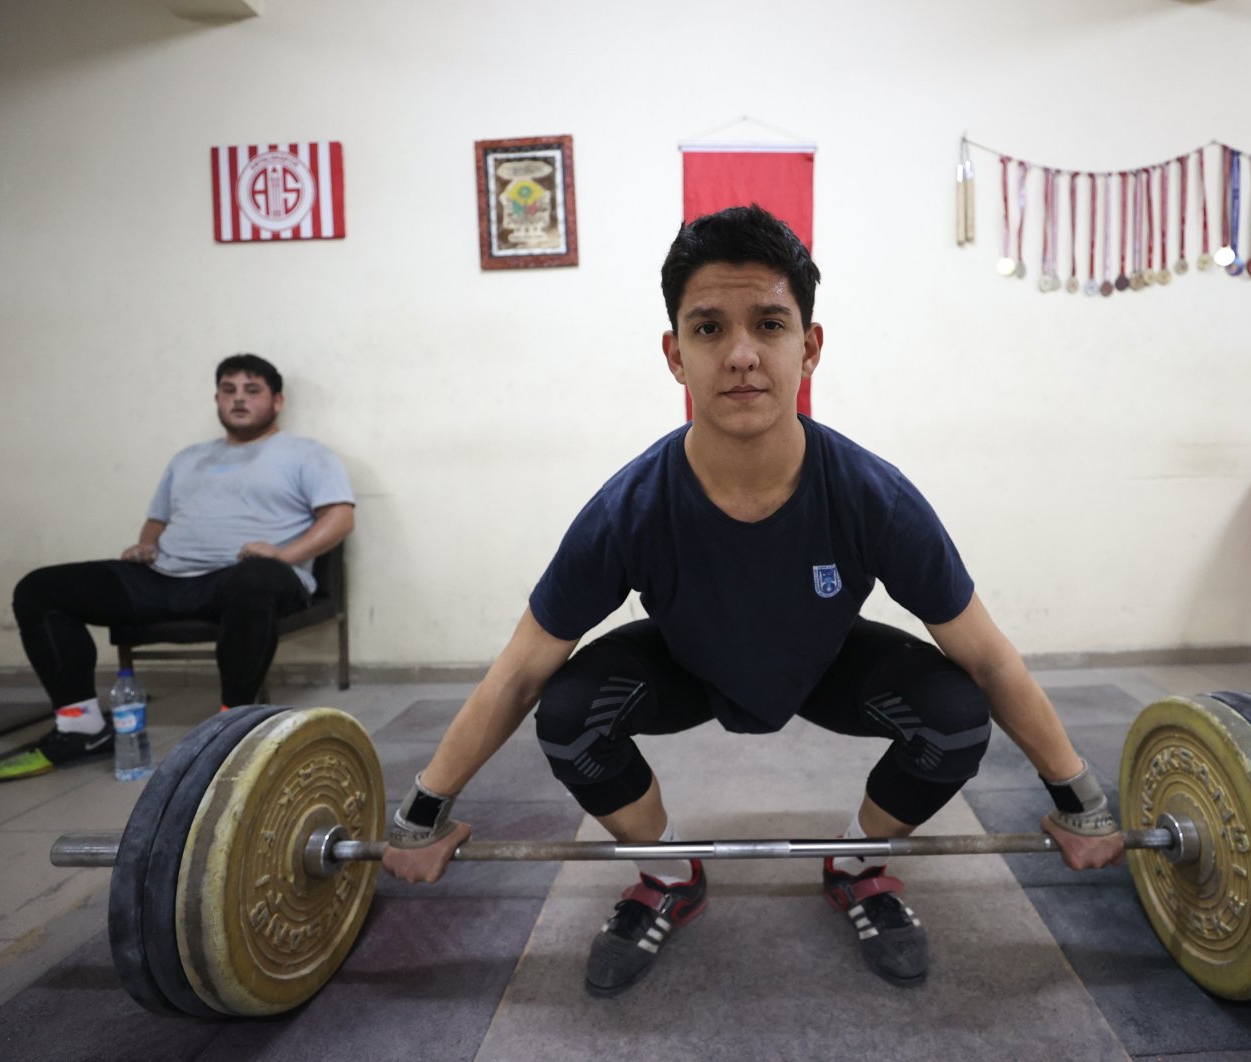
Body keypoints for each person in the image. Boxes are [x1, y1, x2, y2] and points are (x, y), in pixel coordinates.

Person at [381, 206, 1123, 995]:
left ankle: (857, 864)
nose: (740, 355)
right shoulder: (629, 508)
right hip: (687, 666)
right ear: (675, 355)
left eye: (768, 323)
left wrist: (1080, 801)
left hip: (826, 660)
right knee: (567, 715)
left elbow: (988, 655)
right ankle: (667, 873)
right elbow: (520, 670)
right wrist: (422, 813)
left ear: (809, 346)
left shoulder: (873, 496)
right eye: (708, 329)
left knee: (956, 714)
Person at [0, 353, 356, 782]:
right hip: (165, 576)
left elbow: (340, 517)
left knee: (253, 579)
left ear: (276, 401)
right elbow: (157, 521)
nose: (238, 399)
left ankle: (231, 728)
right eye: (228, 390)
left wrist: (283, 556)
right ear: (216, 399)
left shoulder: (306, 453)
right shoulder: (188, 458)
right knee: (40, 589)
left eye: (252, 390)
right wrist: (146, 546)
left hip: (245, 577)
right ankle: (80, 726)